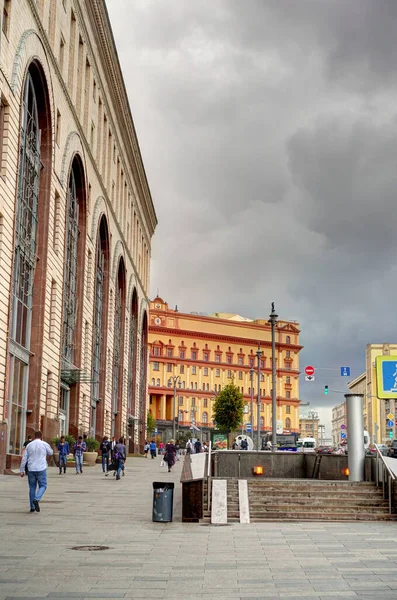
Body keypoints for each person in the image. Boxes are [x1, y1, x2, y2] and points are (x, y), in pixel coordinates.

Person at [20, 431, 53, 513]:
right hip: (41, 468)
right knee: (43, 485)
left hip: (31, 469)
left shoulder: (29, 445)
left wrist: (22, 470)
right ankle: (37, 499)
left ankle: (32, 506)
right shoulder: (44, 444)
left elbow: (24, 458)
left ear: (34, 436)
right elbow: (51, 452)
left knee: (32, 487)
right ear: (41, 437)